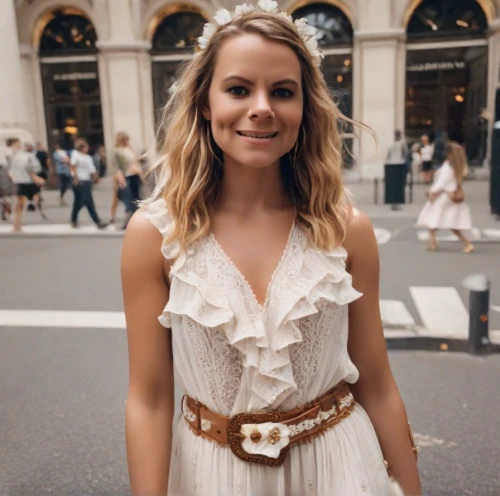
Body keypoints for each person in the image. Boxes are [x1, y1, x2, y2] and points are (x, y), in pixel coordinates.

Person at [121, 4, 421, 496]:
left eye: (282, 91)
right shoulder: (154, 236)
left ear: (305, 108)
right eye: (238, 89)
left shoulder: (345, 229)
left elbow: (379, 385)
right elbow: (149, 400)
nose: (261, 106)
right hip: (211, 475)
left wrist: (410, 487)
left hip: (341, 469)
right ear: (205, 102)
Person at [417, 141, 474, 253]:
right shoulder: (458, 166)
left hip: (444, 197)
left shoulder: (448, 167)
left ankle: (466, 243)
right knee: (447, 222)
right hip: (451, 197)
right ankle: (434, 243)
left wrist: (432, 193)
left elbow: (442, 183)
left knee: (433, 219)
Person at [7, 138, 45, 232]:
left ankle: (36, 205)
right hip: (20, 181)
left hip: (30, 181)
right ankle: (16, 225)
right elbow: (11, 169)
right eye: (15, 144)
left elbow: (36, 168)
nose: (17, 146)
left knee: (32, 200)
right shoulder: (12, 156)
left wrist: (34, 174)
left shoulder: (28, 156)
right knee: (20, 204)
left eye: (18, 144)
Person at [70, 139, 108, 229]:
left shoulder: (88, 158)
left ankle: (73, 219)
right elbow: (73, 166)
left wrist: (96, 177)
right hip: (79, 180)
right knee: (87, 201)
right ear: (81, 148)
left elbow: (92, 169)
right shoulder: (76, 155)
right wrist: (75, 178)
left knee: (79, 202)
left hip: (87, 180)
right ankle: (97, 221)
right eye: (85, 147)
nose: (87, 148)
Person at [110, 132, 143, 229]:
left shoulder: (129, 148)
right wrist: (121, 179)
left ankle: (134, 220)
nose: (126, 141)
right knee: (127, 198)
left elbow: (135, 161)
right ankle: (125, 220)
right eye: (124, 139)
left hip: (134, 175)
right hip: (125, 177)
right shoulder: (116, 151)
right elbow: (116, 166)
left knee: (136, 198)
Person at [53, 142, 71, 206]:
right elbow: (62, 160)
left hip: (67, 170)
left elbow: (68, 159)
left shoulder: (64, 152)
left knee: (67, 184)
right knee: (63, 184)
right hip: (61, 171)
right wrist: (66, 160)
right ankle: (61, 197)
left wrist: (66, 160)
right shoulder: (55, 153)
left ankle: (61, 197)